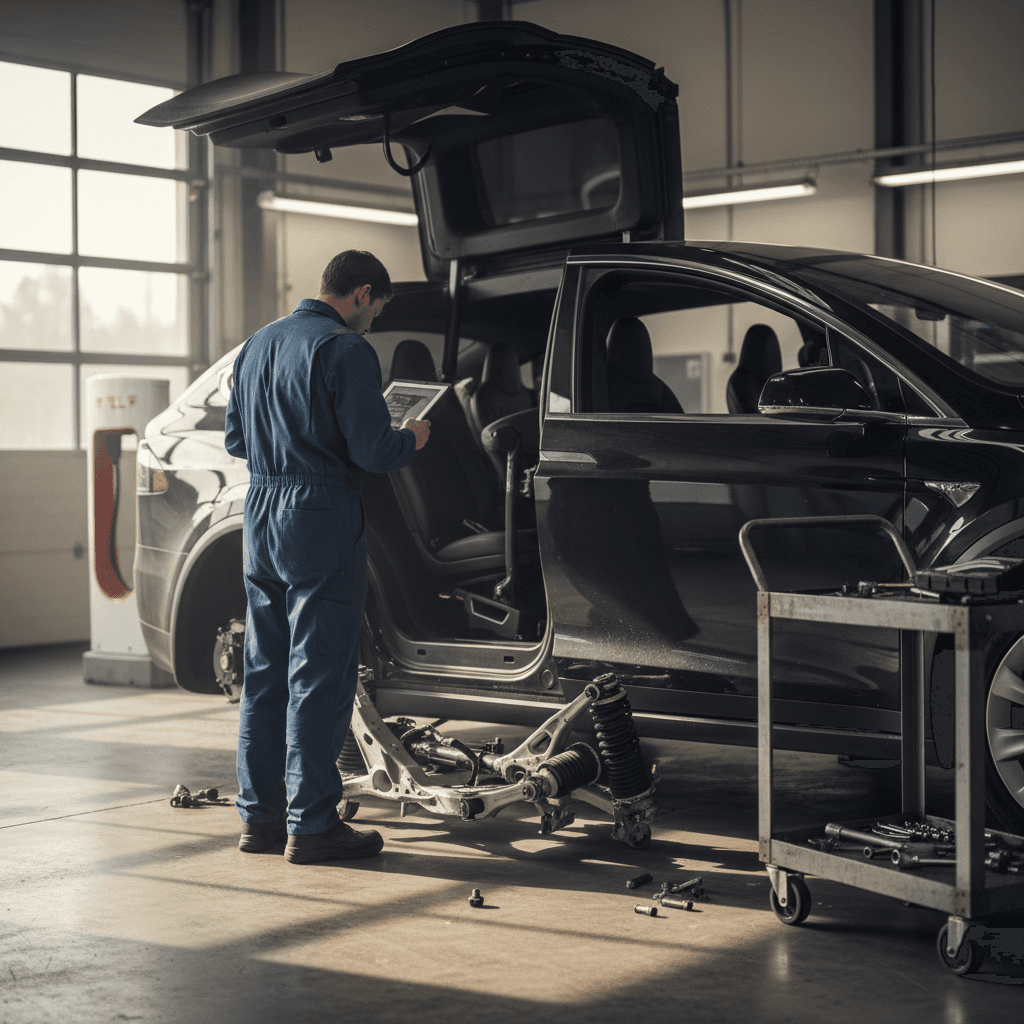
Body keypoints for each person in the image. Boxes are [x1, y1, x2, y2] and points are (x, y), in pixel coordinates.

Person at [224, 249, 430, 863]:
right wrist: (411, 437)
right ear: (362, 293)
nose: (372, 323)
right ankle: (311, 826)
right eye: (377, 309)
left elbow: (236, 437)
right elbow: (372, 450)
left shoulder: (258, 344)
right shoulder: (344, 349)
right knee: (319, 673)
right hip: (318, 516)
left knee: (264, 673)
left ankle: (258, 822)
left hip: (260, 514)